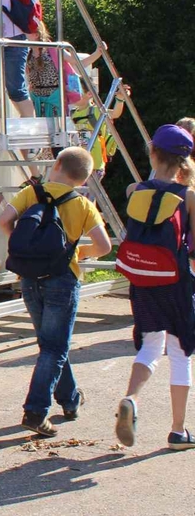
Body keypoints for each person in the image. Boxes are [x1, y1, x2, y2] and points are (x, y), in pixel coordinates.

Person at [0, 147, 113, 436]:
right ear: (83, 178)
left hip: (30, 276)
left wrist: (27, 248)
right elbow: (104, 246)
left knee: (50, 344)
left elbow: (3, 220)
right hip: (63, 278)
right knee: (54, 347)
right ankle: (35, 411)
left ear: (57, 163)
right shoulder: (84, 204)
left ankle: (70, 399)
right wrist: (79, 253)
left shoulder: (31, 193)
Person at [114, 125, 195, 451]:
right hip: (176, 283)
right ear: (185, 160)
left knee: (150, 346)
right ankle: (178, 431)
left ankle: (131, 398)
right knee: (180, 354)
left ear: (152, 153)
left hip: (143, 282)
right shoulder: (188, 196)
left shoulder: (135, 190)